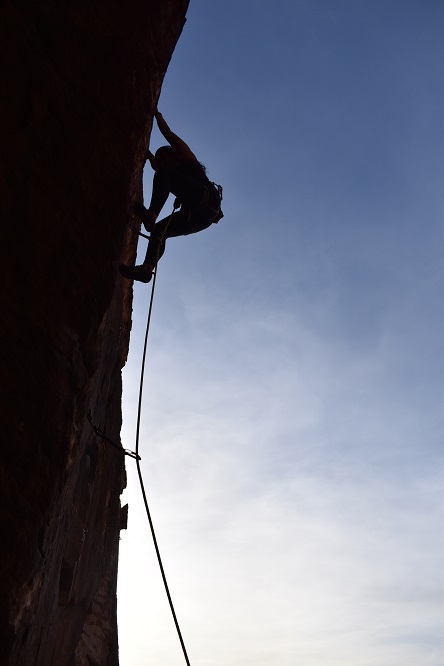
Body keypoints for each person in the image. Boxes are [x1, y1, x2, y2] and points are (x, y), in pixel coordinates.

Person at [120, 111, 223, 283]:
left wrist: (157, 116)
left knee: (164, 175)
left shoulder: (187, 158)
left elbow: (167, 134)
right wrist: (148, 154)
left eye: (164, 157)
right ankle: (146, 269)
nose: (163, 161)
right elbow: (158, 169)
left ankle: (151, 214)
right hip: (200, 217)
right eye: (161, 160)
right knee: (160, 231)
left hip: (206, 200)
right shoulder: (173, 174)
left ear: (172, 154)